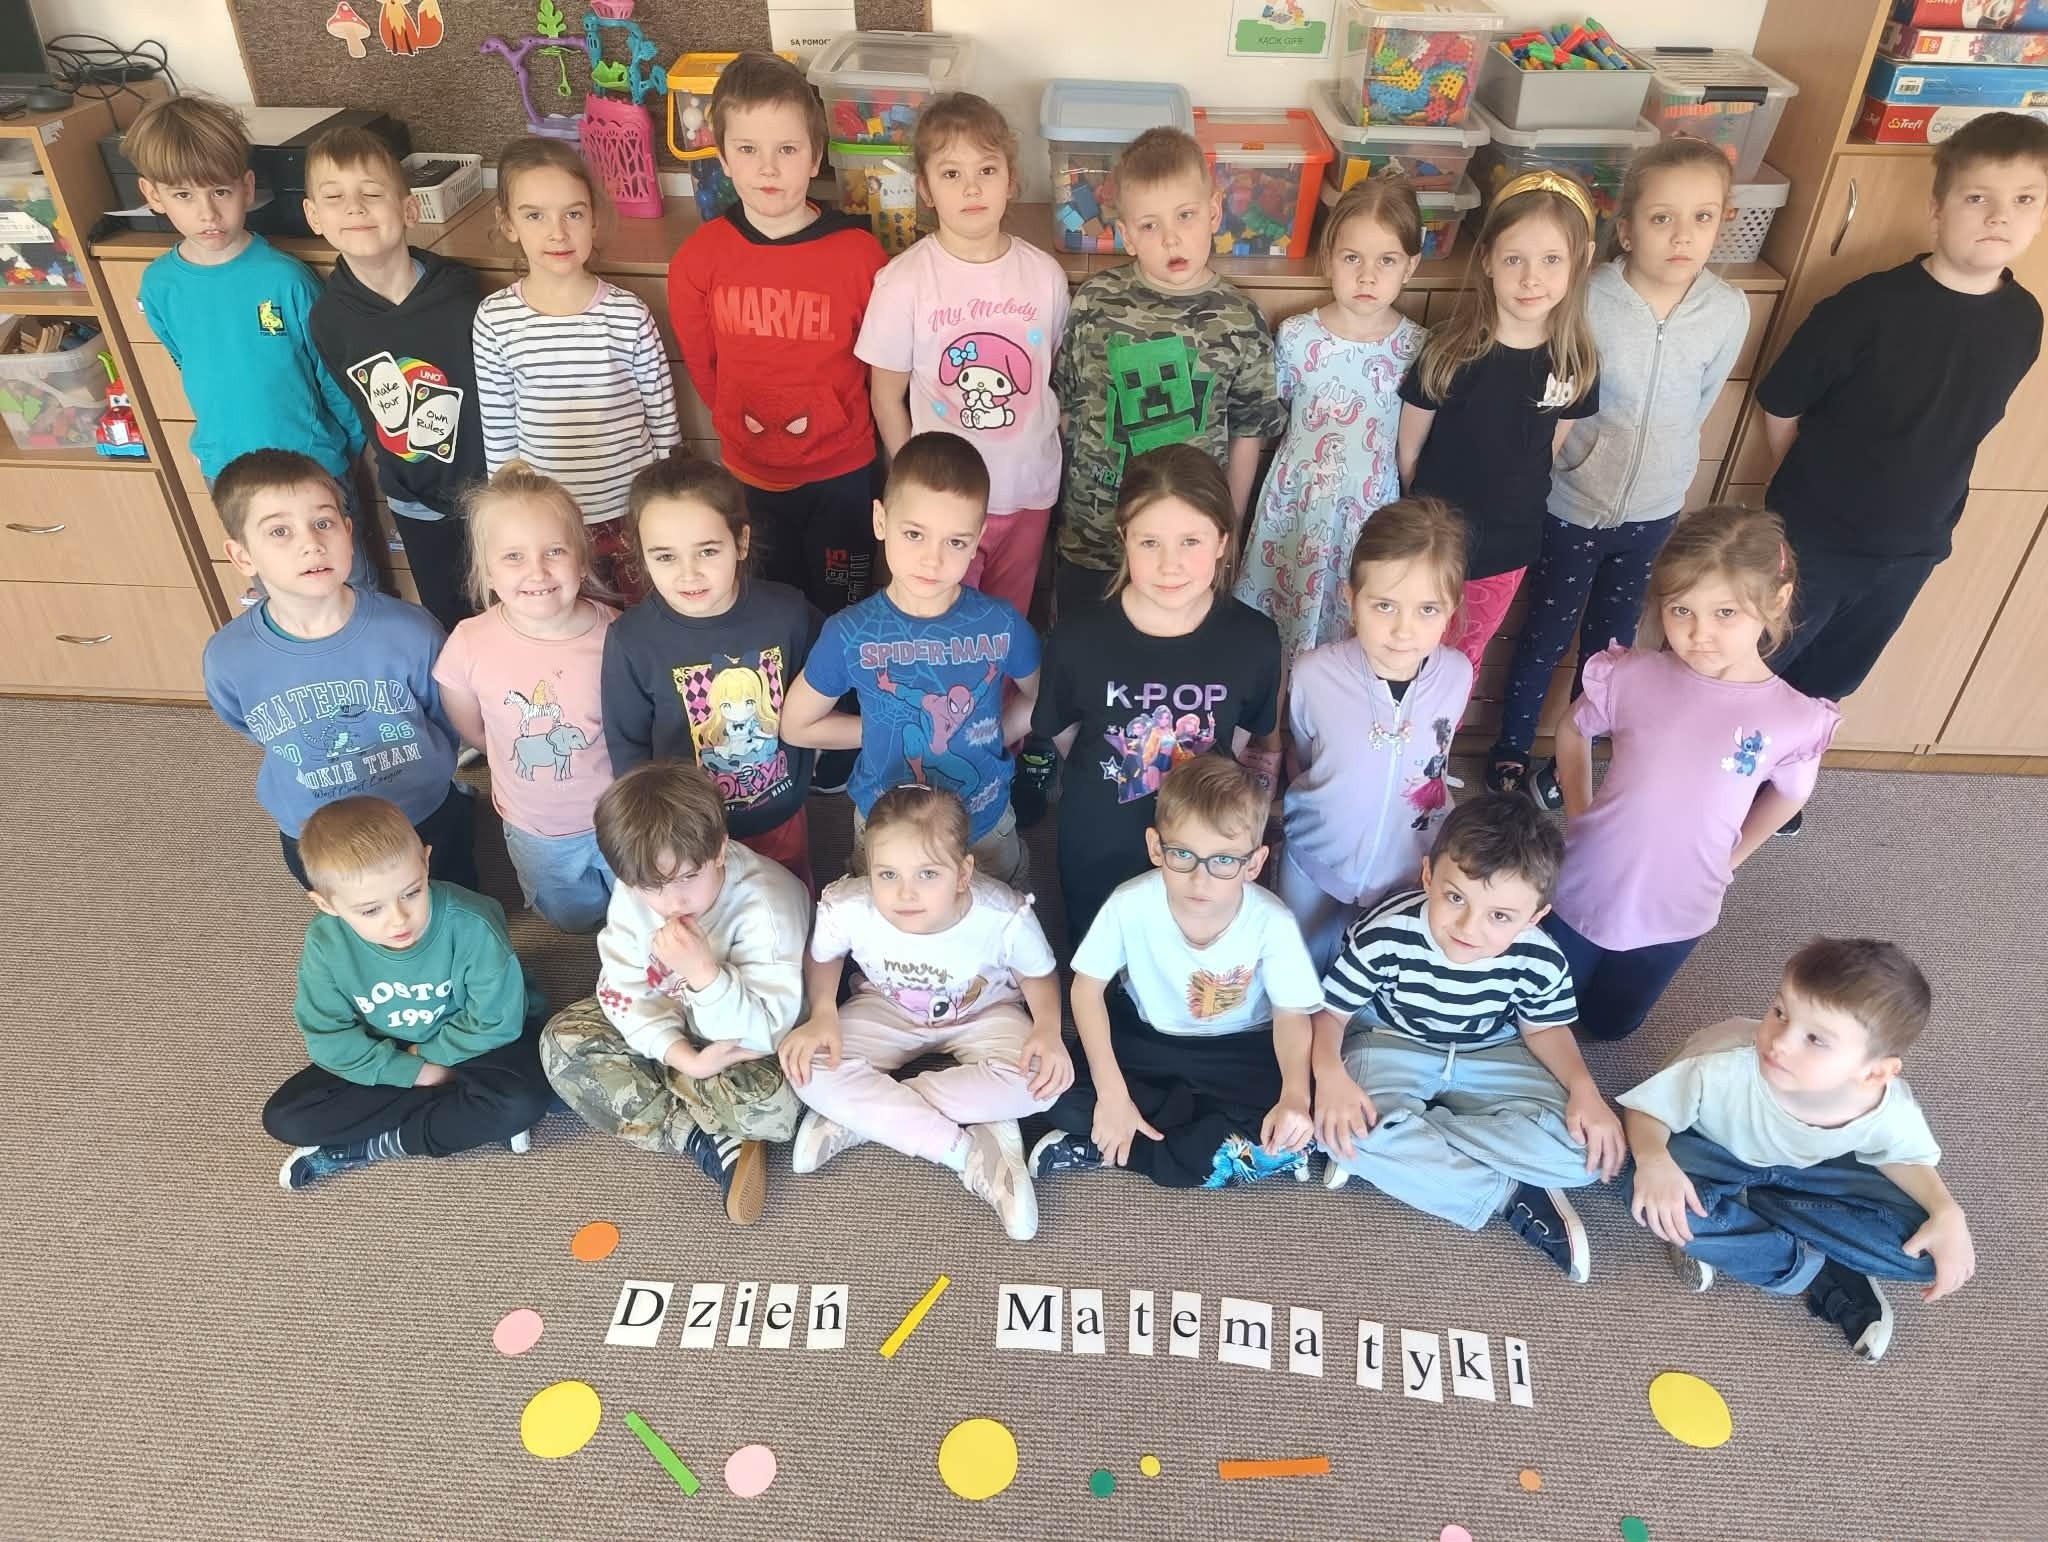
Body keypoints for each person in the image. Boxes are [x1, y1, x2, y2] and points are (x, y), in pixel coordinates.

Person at [1757, 112, 2047, 715]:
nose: (2000, 217)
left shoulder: (2025, 320)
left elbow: (1961, 429)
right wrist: (1811, 496)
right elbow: (1781, 402)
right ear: (1938, 208)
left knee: (1825, 687)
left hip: (1913, 550)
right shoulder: (1867, 307)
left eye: (2024, 199)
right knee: (1747, 671)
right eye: (1978, 198)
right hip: (1814, 542)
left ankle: (1783, 771)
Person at [1490, 139, 1749, 804]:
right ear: (1627, 230)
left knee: (1610, 652)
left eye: (1702, 217)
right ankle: (1511, 750)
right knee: (1544, 637)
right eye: (1662, 218)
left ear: (1723, 221)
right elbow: (1558, 392)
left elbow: (1700, 403)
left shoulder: (1727, 311)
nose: (1682, 235)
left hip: (1652, 515)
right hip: (1572, 504)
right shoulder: (1588, 297)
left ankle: (1571, 762)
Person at [1548, 505, 1839, 1041]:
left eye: (1725, 612)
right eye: (1681, 610)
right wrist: (1579, 812)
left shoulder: (1795, 719)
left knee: (1611, 1026)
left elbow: (1790, 796)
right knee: (1544, 1008)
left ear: (1776, 601)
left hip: (1682, 904)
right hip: (1588, 882)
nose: (1699, 633)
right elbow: (1572, 731)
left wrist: (1732, 858)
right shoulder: (1631, 675)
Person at [1313, 794, 1625, 1284]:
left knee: (1584, 1153)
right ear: (1428, 876)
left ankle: (1408, 1145)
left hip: (1491, 1049)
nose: (1467, 928)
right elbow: (1331, 1013)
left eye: (1500, 916)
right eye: (1455, 898)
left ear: (1534, 917)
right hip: (1393, 1039)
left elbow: (1545, 1028)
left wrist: (1586, 1091)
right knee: (1341, 1128)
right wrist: (1330, 1075)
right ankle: (1511, 1193)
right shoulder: (1385, 933)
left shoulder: (1541, 957)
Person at [1622, 939, 1975, 1361]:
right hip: (1713, 1153)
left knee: (1931, 1249)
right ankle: (1817, 1268)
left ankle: (1753, 1216)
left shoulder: (1887, 1106)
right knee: (1647, 1193)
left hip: (1809, 1170)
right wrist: (1654, 1159)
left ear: (1873, 1073)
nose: (1780, 1042)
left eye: (1815, 1039)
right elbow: (1646, 1110)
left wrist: (1947, 1210)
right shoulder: (1721, 1063)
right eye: (1779, 1012)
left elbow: (1903, 1156)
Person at [778, 786, 1070, 1240]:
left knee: (1043, 1084)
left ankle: (865, 1116)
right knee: (808, 1069)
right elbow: (824, 956)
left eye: (928, 874)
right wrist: (822, 1014)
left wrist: (1049, 1029)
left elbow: (1039, 974)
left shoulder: (1003, 915)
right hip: (886, 1006)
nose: (905, 893)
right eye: (887, 874)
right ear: (869, 868)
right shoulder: (850, 905)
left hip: (985, 1011)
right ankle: (966, 1153)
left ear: (963, 873)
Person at [1031, 756, 1325, 1191]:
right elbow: (1087, 990)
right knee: (1055, 1098)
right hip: (1149, 1037)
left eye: (1223, 861)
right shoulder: (1129, 903)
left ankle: (1118, 1146)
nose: (1200, 880)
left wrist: (1295, 1096)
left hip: (1241, 1048)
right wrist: (1112, 1093)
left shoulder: (1273, 922)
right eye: (1182, 855)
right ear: (1156, 847)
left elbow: (1291, 1014)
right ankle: (1189, 1133)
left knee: (1302, 1111)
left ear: (1254, 863)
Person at [124, 93, 377, 595]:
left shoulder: (286, 279)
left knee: (352, 584)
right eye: (183, 195)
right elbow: (185, 361)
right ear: (152, 195)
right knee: (275, 588)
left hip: (311, 465)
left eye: (220, 191)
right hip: (229, 473)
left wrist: (346, 447)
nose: (207, 213)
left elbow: (331, 373)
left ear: (247, 187)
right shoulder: (158, 286)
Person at [1031, 444, 1280, 946]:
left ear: (1222, 540)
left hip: (1203, 852)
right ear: (1124, 537)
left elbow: (1242, 737)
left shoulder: (1254, 639)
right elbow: (1065, 735)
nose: (1170, 565)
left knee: (1191, 961)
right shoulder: (1077, 638)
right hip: (1101, 838)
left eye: (1191, 541)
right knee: (1100, 959)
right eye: (1150, 543)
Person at [539, 762, 807, 1226]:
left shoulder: (766, 907)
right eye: (652, 887)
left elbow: (766, 1030)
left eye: (687, 877)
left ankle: (678, 1107)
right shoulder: (636, 887)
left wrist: (705, 976)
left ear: (719, 851)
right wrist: (685, 1058)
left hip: (742, 1042)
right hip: (683, 1033)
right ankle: (703, 1136)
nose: (672, 902)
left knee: (772, 1106)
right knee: (559, 1044)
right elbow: (622, 987)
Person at [669, 51, 890, 614]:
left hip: (842, 475)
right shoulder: (699, 258)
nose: (767, 168)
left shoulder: (860, 256)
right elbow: (703, 366)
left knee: (843, 609)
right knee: (768, 609)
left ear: (816, 156)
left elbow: (881, 369)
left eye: (787, 150)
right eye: (748, 150)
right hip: (750, 477)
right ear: (723, 157)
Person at [199, 449, 473, 891]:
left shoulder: (413, 631)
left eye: (323, 523)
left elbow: (444, 715)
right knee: (354, 916)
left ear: (349, 531)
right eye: (280, 531)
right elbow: (248, 723)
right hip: (314, 827)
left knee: (452, 896)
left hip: (422, 811)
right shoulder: (228, 657)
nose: (311, 543)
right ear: (242, 555)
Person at [780, 433, 1040, 886]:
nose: (931, 560)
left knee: (996, 920)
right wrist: (884, 731)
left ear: (978, 538)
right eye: (914, 534)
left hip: (981, 825)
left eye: (955, 542)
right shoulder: (849, 632)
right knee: (887, 925)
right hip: (888, 832)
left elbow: (1043, 697)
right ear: (881, 520)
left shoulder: (1002, 624)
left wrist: (994, 731)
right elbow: (796, 725)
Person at [1050, 126, 1288, 616]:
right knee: (1082, 650)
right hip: (1095, 538)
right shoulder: (1095, 302)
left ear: (1214, 212)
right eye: (1150, 225)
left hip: (1189, 551)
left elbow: (1247, 435)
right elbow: (1067, 412)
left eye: (1185, 215)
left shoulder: (1239, 319)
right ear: (1127, 235)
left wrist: (1228, 527)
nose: (1172, 238)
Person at [263, 796, 553, 1189]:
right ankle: (466, 1110)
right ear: (326, 904)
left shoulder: (473, 922)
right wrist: (415, 1072)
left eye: (412, 893)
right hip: (392, 1048)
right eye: (371, 910)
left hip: (474, 1043)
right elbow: (328, 1037)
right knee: (286, 1118)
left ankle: (374, 1145)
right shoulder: (324, 943)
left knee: (525, 1099)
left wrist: (424, 1060)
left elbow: (495, 1022)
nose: (399, 920)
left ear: (426, 862)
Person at [856, 92, 1069, 618]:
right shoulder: (903, 281)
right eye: (951, 174)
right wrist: (915, 489)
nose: (972, 188)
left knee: (1006, 624)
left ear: (1011, 179)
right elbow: (886, 397)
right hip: (943, 509)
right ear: (925, 189)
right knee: (942, 624)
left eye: (987, 170)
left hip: (1028, 493)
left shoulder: (1045, 276)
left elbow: (1050, 377)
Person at [1397, 170, 1601, 670]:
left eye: (1551, 259)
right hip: (1431, 544)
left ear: (1581, 260)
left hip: (1507, 550)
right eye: (1514, 259)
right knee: (1404, 651)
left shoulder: (1576, 362)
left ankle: (1441, 727)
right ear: (1487, 259)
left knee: (1461, 660)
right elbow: (1408, 453)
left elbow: (1546, 451)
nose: (1531, 278)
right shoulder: (1448, 351)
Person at [472, 137, 680, 602]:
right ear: (508, 224)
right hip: (550, 525)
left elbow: (664, 423)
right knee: (571, 624)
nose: (558, 233)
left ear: (594, 219)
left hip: (631, 513)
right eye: (535, 215)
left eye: (573, 213)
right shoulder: (494, 319)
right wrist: (510, 520)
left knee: (640, 620)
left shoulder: (628, 314)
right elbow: (500, 438)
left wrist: (665, 504)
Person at [1232, 177, 1426, 671]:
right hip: (1297, 509)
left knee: (1352, 634)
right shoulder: (1297, 337)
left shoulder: (1416, 347)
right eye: (1352, 257)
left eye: (1387, 260)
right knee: (1275, 635)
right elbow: (1267, 422)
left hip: (1370, 514)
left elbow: (1414, 448)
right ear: (1328, 258)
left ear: (1411, 266)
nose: (1367, 275)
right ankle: (1274, 715)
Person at [601, 453, 819, 891]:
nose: (689, 574)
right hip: (685, 835)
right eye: (665, 556)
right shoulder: (631, 640)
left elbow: (826, 688)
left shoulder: (789, 614)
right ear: (641, 555)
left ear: (741, 542)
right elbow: (628, 750)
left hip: (778, 813)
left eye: (707, 550)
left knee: (789, 902)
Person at [1278, 497, 1474, 973]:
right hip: (1317, 858)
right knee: (1297, 967)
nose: (1404, 630)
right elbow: (1307, 754)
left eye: (1428, 609)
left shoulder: (1457, 674)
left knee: (1375, 975)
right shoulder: (1312, 675)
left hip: (1409, 866)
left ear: (1451, 609)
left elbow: (1437, 758)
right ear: (1351, 599)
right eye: (1384, 605)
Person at [303, 122, 486, 633]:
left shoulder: (460, 294)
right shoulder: (329, 319)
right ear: (314, 216)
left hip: (491, 493)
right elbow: (362, 407)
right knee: (450, 625)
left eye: (371, 194)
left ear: (409, 210)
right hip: (417, 503)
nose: (354, 209)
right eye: (335, 197)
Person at [432, 463, 616, 932]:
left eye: (555, 551)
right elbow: (473, 727)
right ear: (488, 571)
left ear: (582, 559)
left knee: (639, 907)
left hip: (621, 815)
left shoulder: (617, 634)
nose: (537, 571)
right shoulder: (470, 642)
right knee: (571, 919)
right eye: (513, 556)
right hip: (537, 827)